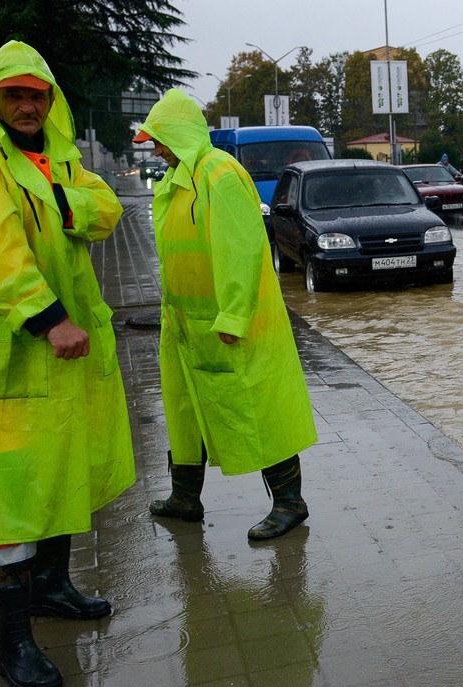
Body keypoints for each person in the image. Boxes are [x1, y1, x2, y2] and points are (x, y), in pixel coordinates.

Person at [0, 41, 135, 687]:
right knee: (8, 501)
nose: (25, 105)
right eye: (12, 94)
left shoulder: (57, 157)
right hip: (3, 358)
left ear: (50, 101)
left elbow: (107, 211)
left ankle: (53, 589)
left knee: (59, 473)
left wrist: (64, 203)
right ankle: (12, 644)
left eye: (35, 95)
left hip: (58, 356)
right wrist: (48, 318)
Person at [132, 89, 317, 541]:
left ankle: (290, 503)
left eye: (159, 138)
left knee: (256, 409)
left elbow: (242, 248)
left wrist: (234, 316)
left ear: (178, 132)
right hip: (185, 324)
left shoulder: (219, 174)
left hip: (230, 323)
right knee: (184, 411)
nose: (155, 149)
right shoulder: (180, 180)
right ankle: (184, 498)